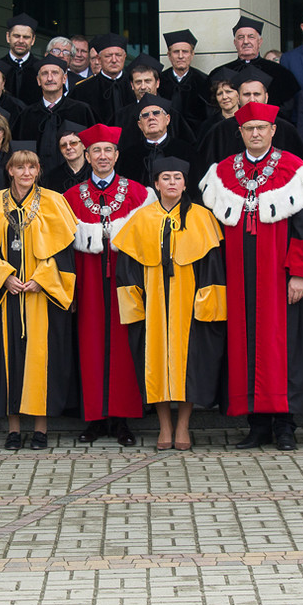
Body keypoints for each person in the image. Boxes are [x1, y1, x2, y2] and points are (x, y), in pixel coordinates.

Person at [200, 101, 303, 451]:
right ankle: (256, 425)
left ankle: (285, 425)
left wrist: (300, 274)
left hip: (279, 274)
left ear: (273, 131)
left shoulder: (294, 170)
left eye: (261, 128)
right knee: (243, 346)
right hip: (237, 275)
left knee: (283, 347)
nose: (255, 134)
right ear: (240, 132)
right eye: (249, 129)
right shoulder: (223, 172)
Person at [114, 156, 225, 452]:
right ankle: (164, 425)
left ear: (185, 184)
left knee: (190, 365)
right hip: (152, 304)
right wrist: (134, 305)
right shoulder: (140, 219)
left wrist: (207, 305)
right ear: (156, 184)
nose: (172, 182)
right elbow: (127, 268)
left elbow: (212, 267)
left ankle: (183, 425)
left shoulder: (201, 217)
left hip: (189, 304)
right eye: (166, 178)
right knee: (155, 364)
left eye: (177, 177)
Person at [0, 144, 79, 450]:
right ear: (10, 170)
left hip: (42, 298)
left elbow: (64, 254)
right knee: (9, 362)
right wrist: (4, 277)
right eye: (20, 167)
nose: (26, 172)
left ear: (38, 170)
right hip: (7, 298)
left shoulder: (54, 201)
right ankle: (13, 430)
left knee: (42, 362)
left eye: (32, 167)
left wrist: (41, 280)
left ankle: (41, 429)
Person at [65, 123, 154, 446]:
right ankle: (95, 418)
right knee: (89, 345)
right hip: (87, 280)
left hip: (125, 279)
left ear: (117, 155)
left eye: (108, 150)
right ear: (87, 156)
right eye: (96, 151)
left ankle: (122, 419)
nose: (102, 156)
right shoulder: (70, 197)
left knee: (124, 346)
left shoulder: (139, 194)